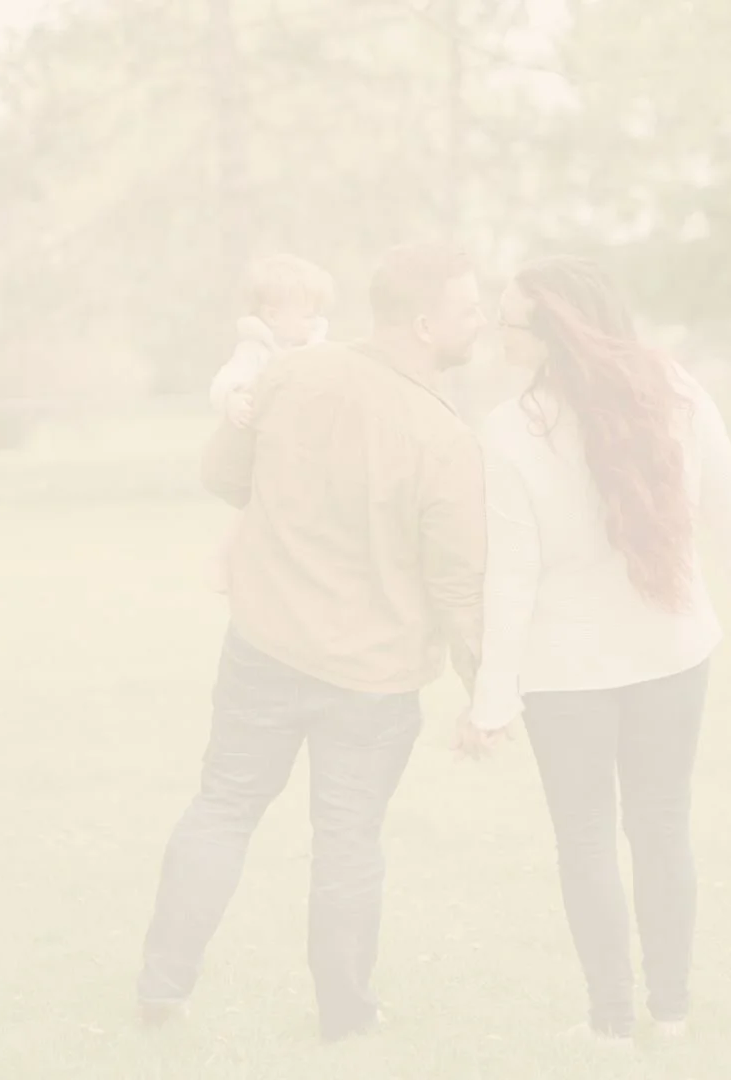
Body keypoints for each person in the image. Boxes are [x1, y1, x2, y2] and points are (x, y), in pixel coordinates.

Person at [136, 242, 490, 1042]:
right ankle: (345, 1020)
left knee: (222, 808)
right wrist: (484, 692)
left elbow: (224, 477)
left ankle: (162, 987)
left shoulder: (293, 374)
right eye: (469, 309)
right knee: (347, 844)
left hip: (265, 644)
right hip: (373, 678)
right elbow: (458, 586)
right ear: (425, 324)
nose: (481, 322)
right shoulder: (443, 437)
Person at [463, 255, 731, 1041]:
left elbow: (512, 575)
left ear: (552, 335)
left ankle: (612, 1023)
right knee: (661, 828)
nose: (497, 332)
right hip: (671, 651)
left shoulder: (511, 429)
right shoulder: (674, 393)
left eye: (508, 320)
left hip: (567, 671)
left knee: (586, 839)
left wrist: (493, 698)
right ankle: (670, 1014)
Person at [206, 253, 336, 593]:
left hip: (307, 449)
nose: (314, 322)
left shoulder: (317, 349)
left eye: (315, 314)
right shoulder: (255, 351)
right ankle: (226, 563)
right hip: (268, 451)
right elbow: (226, 380)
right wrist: (233, 398)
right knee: (252, 509)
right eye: (306, 315)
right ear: (273, 316)